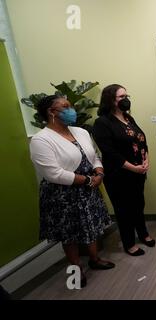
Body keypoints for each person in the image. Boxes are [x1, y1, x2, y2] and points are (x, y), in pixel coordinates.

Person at [29, 95, 115, 288]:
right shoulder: (41, 140)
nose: (71, 109)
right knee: (70, 234)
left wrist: (99, 172)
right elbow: (54, 173)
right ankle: (76, 270)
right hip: (64, 195)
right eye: (65, 107)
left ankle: (95, 259)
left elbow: (94, 156)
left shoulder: (81, 132)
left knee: (91, 226)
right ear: (52, 112)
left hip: (89, 188)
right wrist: (88, 180)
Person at [92, 84, 155, 257]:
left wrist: (146, 161)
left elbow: (142, 141)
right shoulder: (102, 123)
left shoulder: (129, 119)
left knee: (138, 205)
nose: (126, 100)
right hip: (119, 175)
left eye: (127, 96)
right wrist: (132, 167)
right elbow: (109, 152)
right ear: (110, 100)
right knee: (124, 210)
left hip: (138, 173)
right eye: (121, 97)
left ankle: (143, 233)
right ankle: (129, 243)